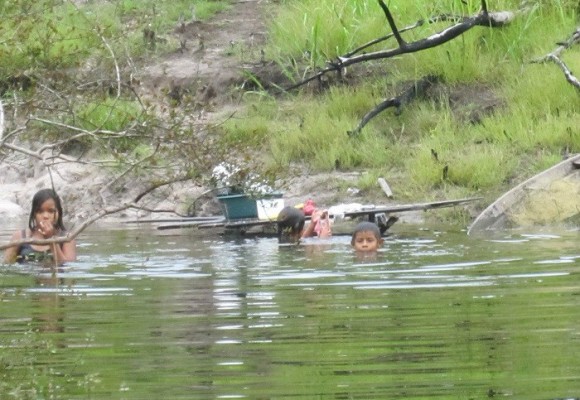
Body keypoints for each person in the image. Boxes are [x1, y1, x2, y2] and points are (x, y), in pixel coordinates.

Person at [3, 188, 76, 265]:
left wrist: (51, 239)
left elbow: (67, 268)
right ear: (34, 214)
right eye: (40, 211)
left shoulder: (67, 239)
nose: (45, 216)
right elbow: (5, 265)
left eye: (51, 211)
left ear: (59, 213)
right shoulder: (20, 237)